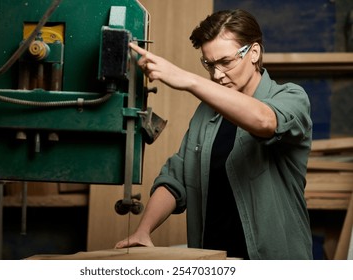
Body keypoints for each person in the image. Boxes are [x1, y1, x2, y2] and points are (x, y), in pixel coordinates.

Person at [115, 9, 313, 260]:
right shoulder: (206, 113)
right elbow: (177, 177)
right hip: (214, 261)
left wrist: (189, 81)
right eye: (208, 64)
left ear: (254, 53)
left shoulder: (291, 97)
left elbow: (265, 121)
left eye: (226, 62)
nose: (217, 74)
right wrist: (144, 231)